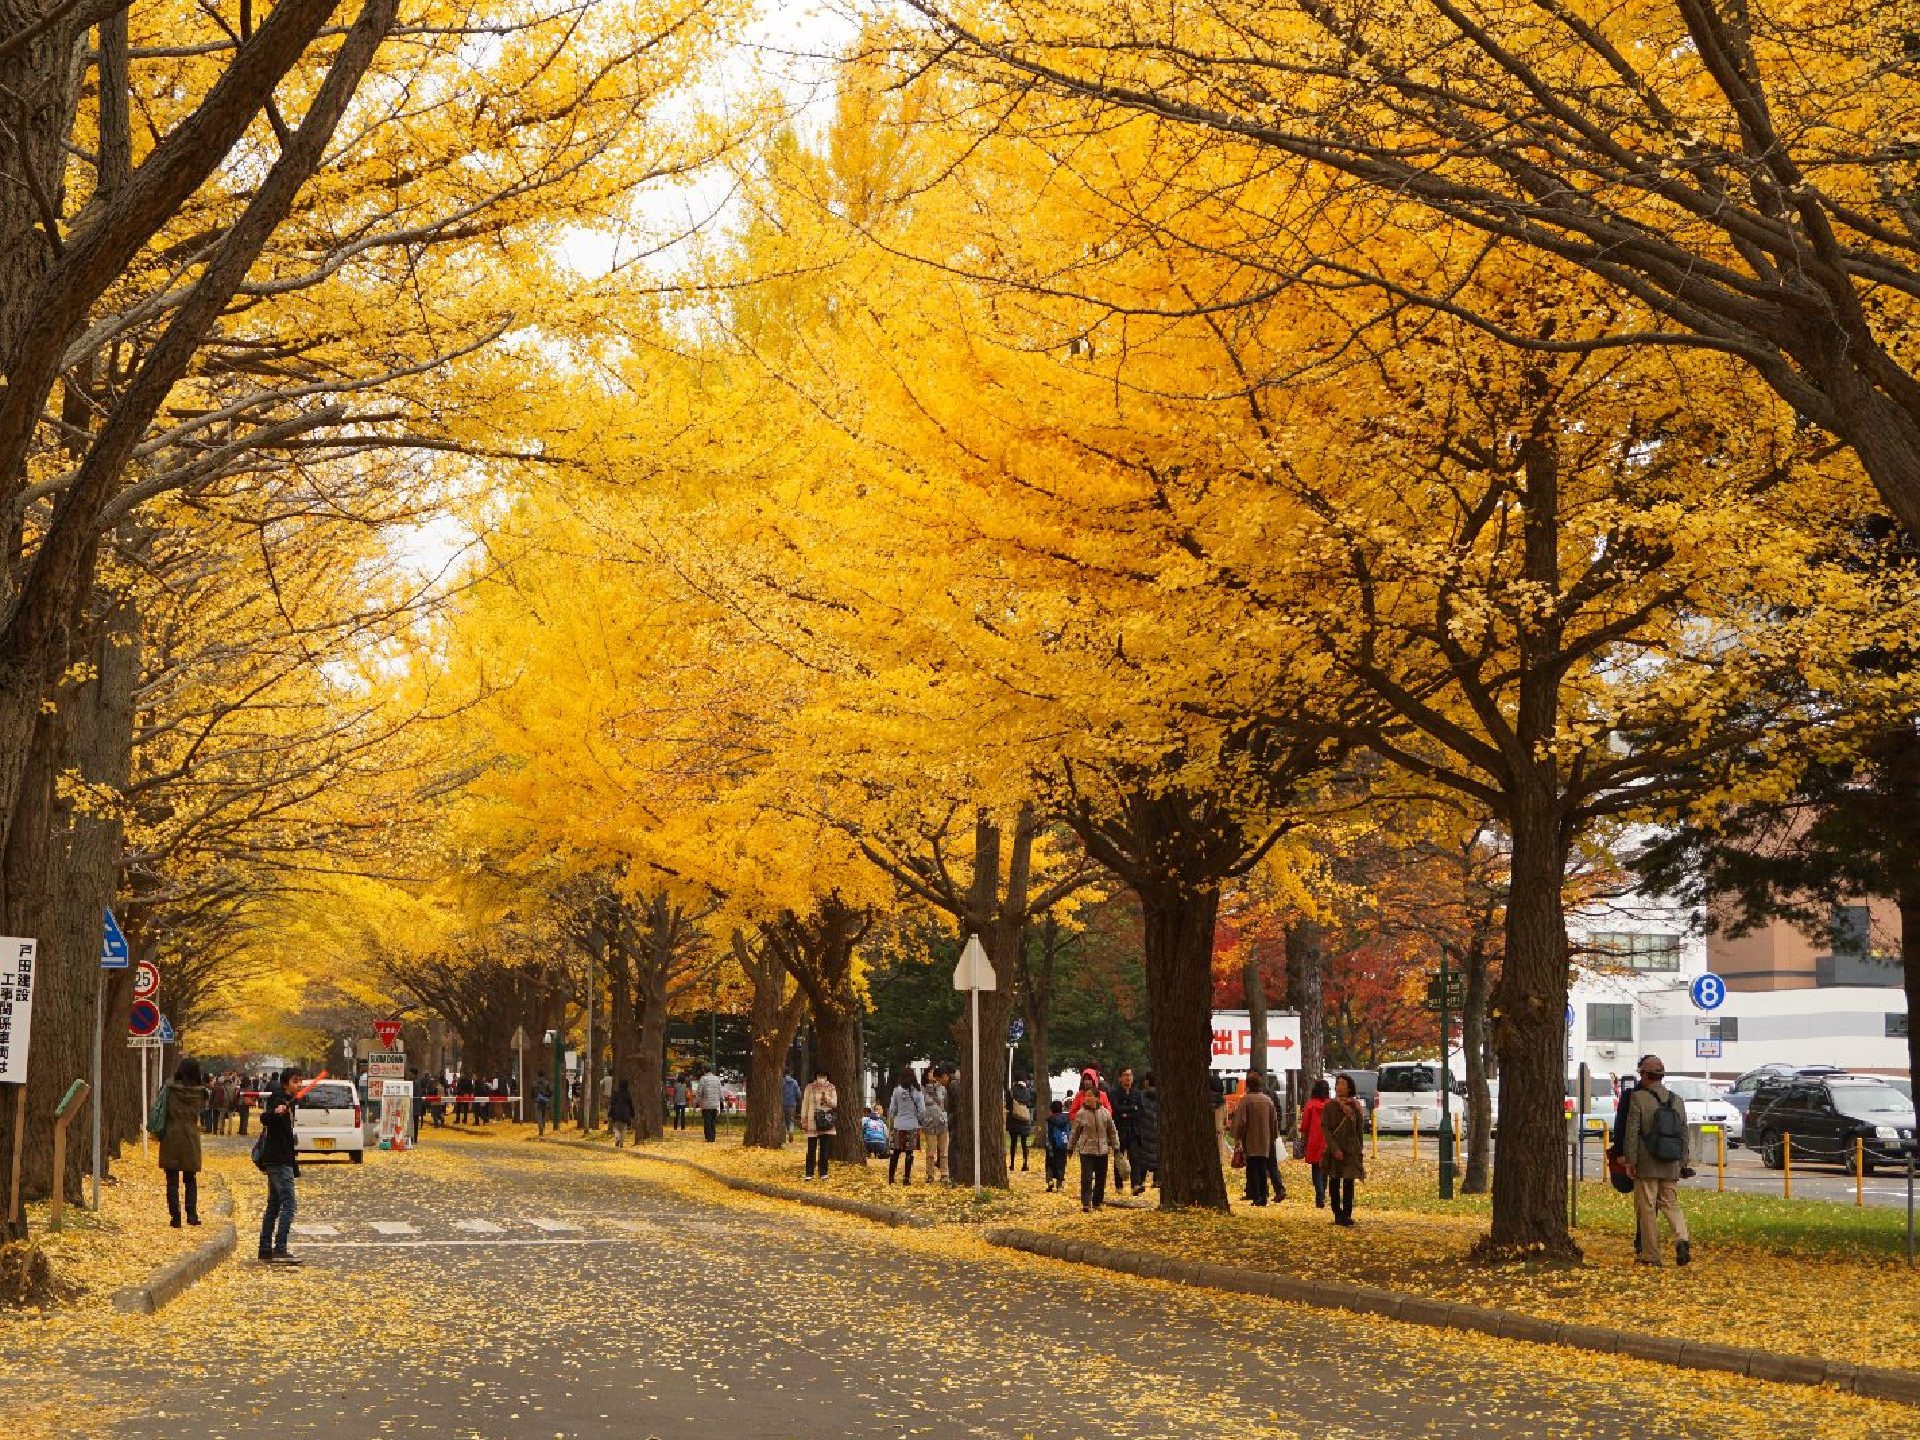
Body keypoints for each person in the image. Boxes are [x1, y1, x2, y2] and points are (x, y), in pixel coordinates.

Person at [1622, 1054, 1693, 1266]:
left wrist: (1630, 1161)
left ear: (1645, 1075)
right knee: (1670, 1203)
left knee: (1646, 1208)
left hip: (1646, 1162)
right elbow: (1684, 1133)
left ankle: (1651, 1255)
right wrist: (1683, 1162)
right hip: (1671, 1161)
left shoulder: (1639, 1098)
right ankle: (1682, 1238)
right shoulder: (1677, 1100)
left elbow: (1632, 1132)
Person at [256, 1068, 304, 1265]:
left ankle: (265, 1248)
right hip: (278, 1160)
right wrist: (276, 1112)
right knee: (288, 1203)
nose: (298, 1085)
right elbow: (265, 1118)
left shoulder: (287, 1100)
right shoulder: (279, 1099)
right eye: (295, 1081)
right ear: (285, 1083)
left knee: (274, 1204)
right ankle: (280, 1248)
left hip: (278, 1159)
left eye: (300, 1081)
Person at [158, 1058, 207, 1228]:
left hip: (171, 1135)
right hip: (191, 1137)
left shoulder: (170, 1090)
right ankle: (192, 1215)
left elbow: (161, 1108)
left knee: (172, 1180)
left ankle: (175, 1217)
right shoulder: (201, 1092)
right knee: (190, 1178)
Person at [1229, 1071, 1285, 1205]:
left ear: (1248, 1085)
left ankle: (1257, 1196)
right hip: (1265, 1140)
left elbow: (1241, 1121)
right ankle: (1263, 1196)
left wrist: (1237, 1136)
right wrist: (1273, 1136)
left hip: (1251, 1139)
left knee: (1252, 1169)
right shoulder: (1267, 1100)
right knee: (1262, 1168)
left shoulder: (1246, 1100)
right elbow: (1274, 1121)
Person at [1068, 1073, 1120, 1211]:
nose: (1088, 1098)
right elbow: (1075, 1132)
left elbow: (1112, 1131)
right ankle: (1086, 1202)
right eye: (1086, 1096)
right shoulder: (1081, 1113)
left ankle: (1097, 1202)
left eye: (1091, 1096)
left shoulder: (1105, 1113)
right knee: (1086, 1177)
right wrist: (1070, 1147)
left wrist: (1116, 1146)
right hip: (1086, 1150)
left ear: (1097, 1098)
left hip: (1102, 1150)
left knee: (1100, 1178)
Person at [1323, 1073, 1367, 1226]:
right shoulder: (1330, 1106)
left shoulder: (1355, 1106)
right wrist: (1334, 1148)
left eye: (1343, 1084)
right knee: (1334, 1180)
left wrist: (1360, 1148)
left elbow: (1359, 1129)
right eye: (1338, 1084)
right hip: (1335, 1148)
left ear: (1349, 1088)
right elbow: (1326, 1129)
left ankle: (1347, 1213)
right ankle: (1337, 1212)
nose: (1339, 1087)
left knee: (1349, 1181)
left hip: (1351, 1148)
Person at [886, 1065, 926, 1185]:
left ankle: (891, 1178)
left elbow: (892, 1109)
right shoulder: (918, 1092)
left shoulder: (897, 1090)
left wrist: (896, 1117)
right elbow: (922, 1110)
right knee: (909, 1152)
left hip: (899, 1125)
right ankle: (906, 1179)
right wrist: (918, 1119)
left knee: (896, 1152)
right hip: (912, 1125)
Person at [800, 1067, 837, 1180]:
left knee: (824, 1149)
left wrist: (827, 1099)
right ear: (815, 1076)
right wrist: (804, 1119)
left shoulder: (831, 1087)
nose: (822, 1078)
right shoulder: (810, 1087)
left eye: (824, 1076)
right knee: (811, 1148)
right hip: (812, 1121)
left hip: (826, 1121)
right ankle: (809, 1173)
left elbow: (835, 1103)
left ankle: (823, 1173)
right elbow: (805, 1104)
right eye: (820, 1076)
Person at [1300, 1078, 1331, 1208]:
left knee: (1316, 1169)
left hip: (1314, 1140)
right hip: (1328, 1140)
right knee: (1325, 1170)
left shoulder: (1311, 1105)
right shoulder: (1331, 1105)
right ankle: (1323, 1192)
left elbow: (1304, 1126)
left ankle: (1319, 1196)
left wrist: (1304, 1138)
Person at [1109, 1066, 1140, 1191]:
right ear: (1120, 1078)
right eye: (1125, 1075)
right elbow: (1116, 1109)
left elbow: (1140, 1111)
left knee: (1135, 1157)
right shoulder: (1114, 1093)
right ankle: (1119, 1185)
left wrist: (1127, 1112)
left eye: (1130, 1075)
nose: (1128, 1077)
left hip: (1133, 1130)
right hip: (1118, 1130)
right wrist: (1132, 1108)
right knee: (1119, 1157)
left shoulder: (1137, 1093)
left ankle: (1135, 1184)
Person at [921, 1065, 951, 1183]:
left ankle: (944, 1174)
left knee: (944, 1151)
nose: (932, 1075)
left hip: (942, 1122)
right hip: (929, 1123)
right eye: (930, 1072)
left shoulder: (942, 1088)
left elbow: (941, 1101)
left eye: (934, 1073)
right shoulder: (922, 1090)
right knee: (930, 1151)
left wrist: (937, 1086)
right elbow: (926, 1102)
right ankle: (930, 1174)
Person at [1133, 1072, 1161, 1194]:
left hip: (1145, 1130)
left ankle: (1141, 1181)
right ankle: (1158, 1180)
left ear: (1147, 1082)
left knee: (1143, 1157)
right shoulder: (1163, 1096)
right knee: (1158, 1155)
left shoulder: (1142, 1096)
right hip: (1158, 1131)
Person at [1006, 1072, 1035, 1172]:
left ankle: (1012, 1164)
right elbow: (1031, 1103)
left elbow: (1008, 1105)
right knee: (1024, 1143)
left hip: (1013, 1120)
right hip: (1024, 1120)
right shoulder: (1027, 1091)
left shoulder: (1011, 1091)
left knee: (1013, 1143)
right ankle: (1025, 1163)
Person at [1043, 1099, 1072, 1192]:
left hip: (1052, 1145)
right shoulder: (1066, 1119)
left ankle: (1050, 1181)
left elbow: (1047, 1133)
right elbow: (1069, 1132)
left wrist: (1047, 1145)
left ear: (1051, 1109)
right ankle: (1059, 1185)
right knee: (1061, 1164)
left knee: (1049, 1164)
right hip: (1063, 1145)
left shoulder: (1049, 1120)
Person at [696, 1065, 725, 1142]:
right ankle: (713, 1137)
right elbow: (720, 1090)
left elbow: (699, 1091)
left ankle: (708, 1137)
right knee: (713, 1121)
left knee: (707, 1121)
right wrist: (721, 1101)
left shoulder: (703, 1079)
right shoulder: (717, 1079)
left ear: (704, 1070)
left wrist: (697, 1101)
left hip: (706, 1104)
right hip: (715, 1104)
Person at [609, 1078, 636, 1148]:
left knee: (616, 1128)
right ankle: (621, 1142)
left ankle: (617, 1137)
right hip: (625, 1114)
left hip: (616, 1113)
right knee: (624, 1128)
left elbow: (612, 1104)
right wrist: (632, 1114)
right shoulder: (628, 1094)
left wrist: (610, 1113)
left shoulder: (616, 1094)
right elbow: (631, 1105)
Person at [781, 1070, 802, 1141]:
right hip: (792, 1105)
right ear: (790, 1074)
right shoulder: (795, 1082)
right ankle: (790, 1132)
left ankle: (782, 1136)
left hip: (782, 1104)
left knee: (782, 1120)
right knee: (791, 1120)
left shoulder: (782, 1082)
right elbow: (799, 1094)